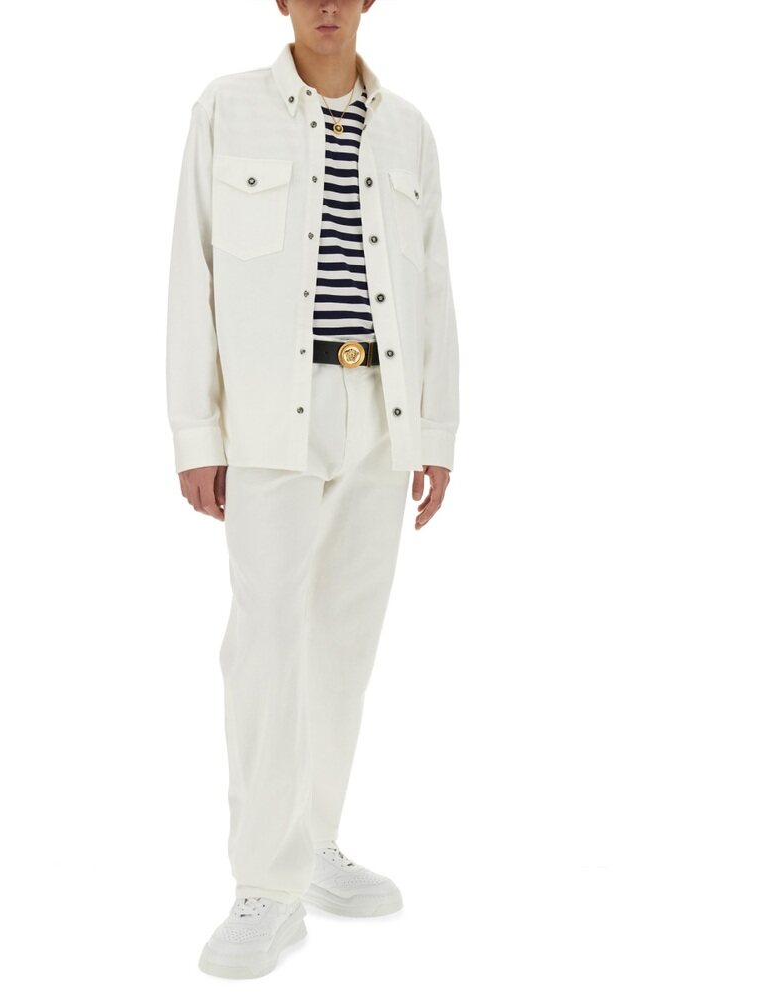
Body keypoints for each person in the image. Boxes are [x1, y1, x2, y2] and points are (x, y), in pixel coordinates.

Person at [165, 0, 460, 979]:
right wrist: (197, 431)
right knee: (265, 645)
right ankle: (265, 882)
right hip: (270, 418)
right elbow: (192, 270)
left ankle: (313, 842)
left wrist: (436, 431)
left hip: (381, 414)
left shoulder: (409, 130)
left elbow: (431, 286)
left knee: (342, 645)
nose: (327, 5)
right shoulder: (226, 109)